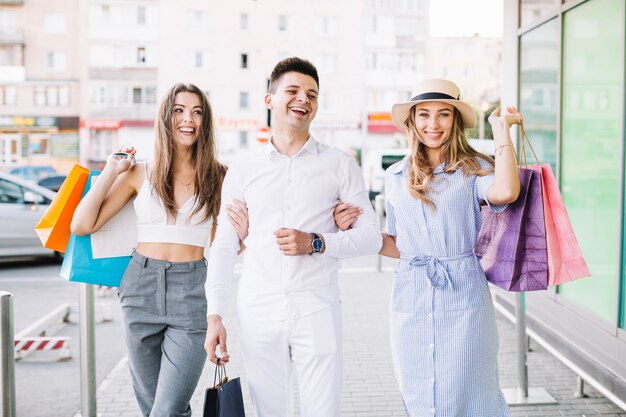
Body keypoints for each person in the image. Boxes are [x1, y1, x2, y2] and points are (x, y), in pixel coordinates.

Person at [204, 57, 382, 417]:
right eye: (293, 91)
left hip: (317, 304)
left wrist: (316, 241)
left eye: (311, 94)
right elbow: (223, 246)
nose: (303, 99)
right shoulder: (243, 169)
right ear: (269, 100)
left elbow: (371, 238)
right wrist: (215, 316)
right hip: (257, 309)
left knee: (323, 411)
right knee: (270, 411)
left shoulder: (339, 164)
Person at [71, 83, 247, 417]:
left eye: (197, 112)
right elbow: (82, 224)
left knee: (166, 410)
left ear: (205, 122)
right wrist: (111, 171)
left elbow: (223, 247)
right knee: (155, 408)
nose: (188, 119)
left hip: (193, 291)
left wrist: (242, 237)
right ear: (166, 117)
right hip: (141, 288)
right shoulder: (140, 172)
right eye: (179, 110)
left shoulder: (220, 177)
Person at [375, 79, 521, 416]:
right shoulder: (396, 176)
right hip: (411, 291)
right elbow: (398, 244)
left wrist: (501, 132)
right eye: (424, 114)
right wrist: (349, 229)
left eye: (443, 114)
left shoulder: (474, 169)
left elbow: (506, 192)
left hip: (464, 292)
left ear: (455, 121)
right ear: (413, 121)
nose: (433, 124)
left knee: (470, 389)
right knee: (418, 388)